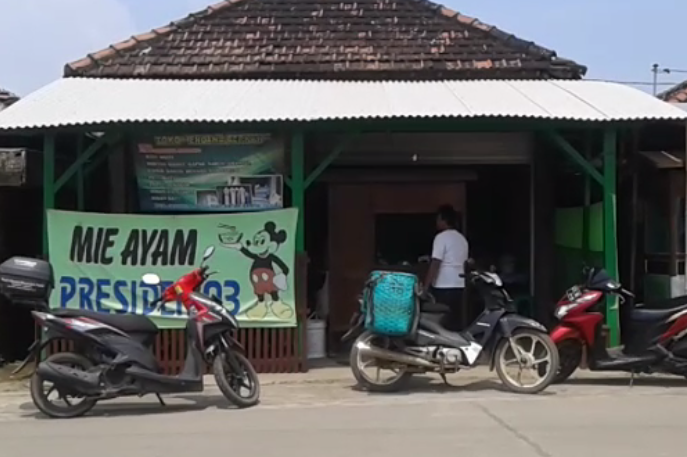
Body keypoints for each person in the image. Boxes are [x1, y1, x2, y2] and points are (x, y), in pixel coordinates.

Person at [423, 204, 469, 331]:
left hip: (443, 286)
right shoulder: (462, 239)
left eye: (438, 219)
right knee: (455, 321)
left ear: (444, 220)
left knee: (441, 322)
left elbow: (436, 263)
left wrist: (425, 287)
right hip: (459, 285)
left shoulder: (441, 238)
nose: (436, 222)